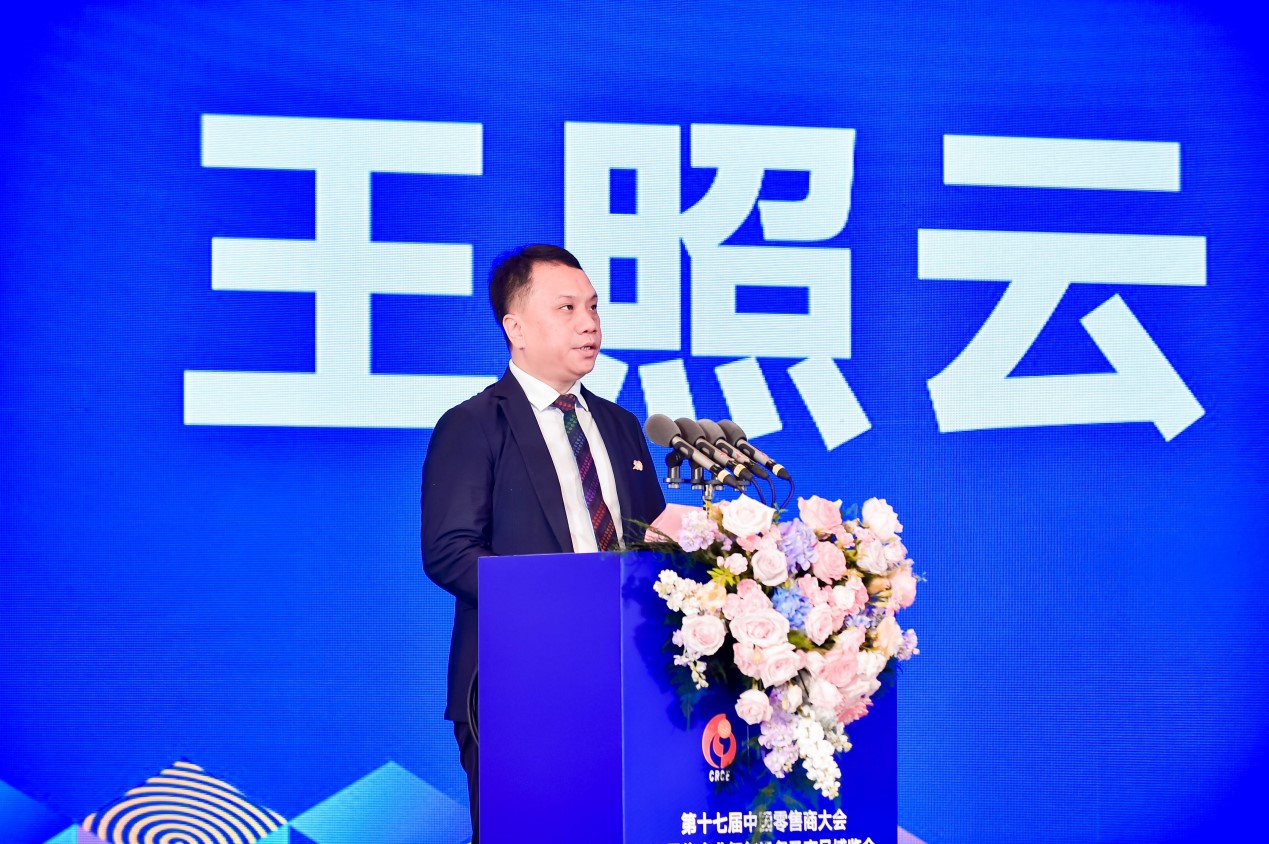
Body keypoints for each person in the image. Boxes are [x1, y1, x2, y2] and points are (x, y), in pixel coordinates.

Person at [421, 244, 666, 841]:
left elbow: (646, 538)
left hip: (624, 681)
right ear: (516, 328)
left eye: (593, 307)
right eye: (567, 308)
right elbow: (450, 551)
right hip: (518, 686)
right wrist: (562, 601)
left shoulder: (620, 425)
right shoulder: (473, 424)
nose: (589, 323)